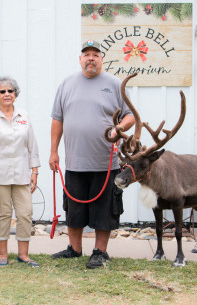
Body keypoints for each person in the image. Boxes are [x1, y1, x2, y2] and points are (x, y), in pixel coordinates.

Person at [48, 39, 136, 269]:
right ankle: (75, 249)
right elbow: (58, 119)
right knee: (74, 208)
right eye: (86, 54)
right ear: (80, 59)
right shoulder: (67, 84)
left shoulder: (115, 84)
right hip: (75, 161)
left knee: (104, 209)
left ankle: (100, 252)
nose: (90, 58)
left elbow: (130, 116)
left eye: (95, 54)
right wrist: (53, 151)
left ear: (101, 59)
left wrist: (120, 128)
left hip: (105, 161)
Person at [0, 76, 41, 267]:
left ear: (15, 94)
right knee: (2, 214)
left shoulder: (24, 116)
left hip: (21, 175)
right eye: (2, 91)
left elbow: (32, 146)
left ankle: (23, 254)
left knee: (25, 213)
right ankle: (2, 254)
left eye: (10, 91)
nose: (7, 94)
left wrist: (34, 172)